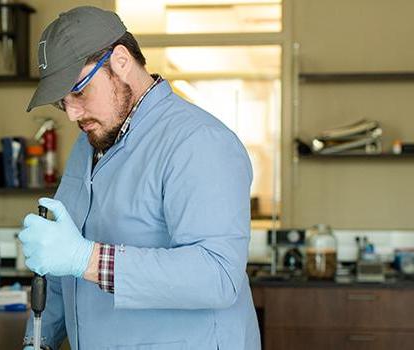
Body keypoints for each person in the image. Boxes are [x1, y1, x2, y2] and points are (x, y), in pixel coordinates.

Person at [17, 6, 260, 350]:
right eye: (61, 102)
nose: (72, 112)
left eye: (79, 91)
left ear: (120, 61)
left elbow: (217, 275)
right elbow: (62, 267)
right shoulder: (88, 145)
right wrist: (38, 339)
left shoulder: (198, 142)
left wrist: (86, 259)